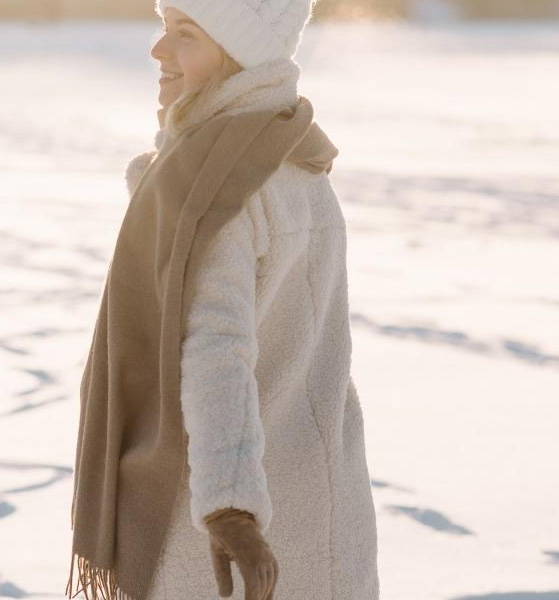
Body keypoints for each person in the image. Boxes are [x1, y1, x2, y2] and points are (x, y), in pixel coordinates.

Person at [118, 1, 381, 599]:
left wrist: (228, 508)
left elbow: (217, 348)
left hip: (230, 527)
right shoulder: (294, 155)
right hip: (319, 497)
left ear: (239, 53)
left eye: (185, 34)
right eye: (163, 29)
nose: (158, 52)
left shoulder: (217, 184)